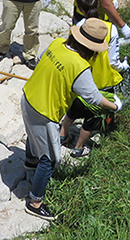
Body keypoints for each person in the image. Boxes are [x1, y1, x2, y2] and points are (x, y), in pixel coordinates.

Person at [22, 18, 121, 221]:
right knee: (50, 158)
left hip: (28, 97)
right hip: (44, 111)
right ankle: (35, 202)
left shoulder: (58, 43)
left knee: (32, 134)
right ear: (93, 49)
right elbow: (93, 97)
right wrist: (115, 105)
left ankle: (30, 164)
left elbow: (40, 62)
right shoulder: (80, 67)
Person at [59, 0, 128, 159]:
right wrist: (123, 66)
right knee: (93, 116)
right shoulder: (110, 29)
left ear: (80, 8)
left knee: (73, 109)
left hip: (81, 78)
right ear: (97, 4)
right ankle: (78, 147)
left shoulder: (76, 29)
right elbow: (113, 62)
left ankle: (61, 136)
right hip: (104, 81)